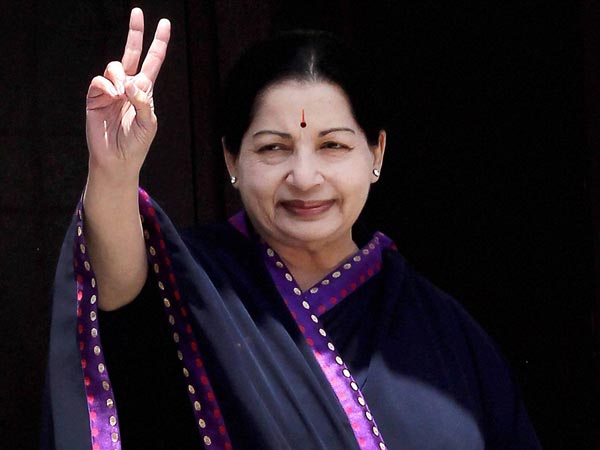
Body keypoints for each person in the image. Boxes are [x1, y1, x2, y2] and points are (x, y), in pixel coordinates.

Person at [44, 8, 542, 450]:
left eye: (333, 146)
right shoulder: (192, 288)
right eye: (273, 148)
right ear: (231, 159)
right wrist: (114, 169)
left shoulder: (448, 338)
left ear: (377, 153)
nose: (305, 178)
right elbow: (115, 288)